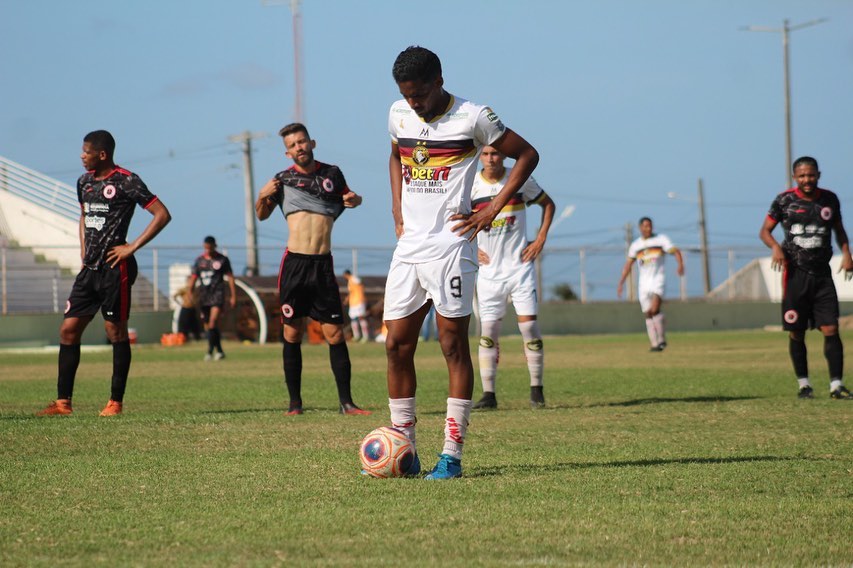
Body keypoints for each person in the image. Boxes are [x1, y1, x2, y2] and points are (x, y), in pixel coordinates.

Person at [384, 46, 539, 479]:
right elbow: (396, 155)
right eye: (406, 95)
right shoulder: (397, 112)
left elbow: (528, 154)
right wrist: (398, 211)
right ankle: (405, 449)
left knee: (452, 345)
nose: (413, 103)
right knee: (396, 345)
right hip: (409, 249)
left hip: (453, 246)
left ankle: (451, 455)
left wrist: (490, 210)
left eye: (418, 94)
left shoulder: (475, 116)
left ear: (438, 81)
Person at [37, 130, 171, 417]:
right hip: (90, 269)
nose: (81, 156)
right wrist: (84, 251)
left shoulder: (126, 180)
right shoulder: (83, 182)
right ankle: (63, 403)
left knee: (115, 331)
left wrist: (131, 247)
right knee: (68, 330)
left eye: (86, 151)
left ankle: (115, 402)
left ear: (102, 154)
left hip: (115, 268)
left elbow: (162, 214)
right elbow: (84, 215)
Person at [255, 122, 371, 416]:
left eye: (302, 142)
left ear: (312, 143)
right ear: (287, 152)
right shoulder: (282, 180)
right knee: (292, 334)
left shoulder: (332, 174)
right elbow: (262, 216)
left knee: (335, 334)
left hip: (322, 264)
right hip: (294, 264)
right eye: (293, 145)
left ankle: (347, 403)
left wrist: (355, 201)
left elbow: (348, 198)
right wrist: (261, 194)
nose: (299, 147)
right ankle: (295, 404)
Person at [759, 156, 853, 399]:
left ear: (818, 175)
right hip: (794, 275)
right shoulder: (784, 200)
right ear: (795, 177)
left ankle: (836, 385)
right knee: (796, 331)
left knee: (831, 328)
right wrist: (776, 248)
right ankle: (804, 385)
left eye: (810, 175)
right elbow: (765, 231)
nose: (806, 179)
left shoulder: (829, 199)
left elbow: (839, 230)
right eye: (802, 176)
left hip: (823, 275)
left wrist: (846, 253)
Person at [471, 145, 555, 411]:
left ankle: (536, 390)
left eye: (495, 153)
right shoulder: (470, 186)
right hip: (489, 273)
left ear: (504, 156)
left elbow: (548, 204)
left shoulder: (519, 179)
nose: (490, 158)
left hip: (520, 268)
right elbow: (455, 220)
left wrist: (540, 238)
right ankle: (488, 394)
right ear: (479, 157)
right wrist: (472, 249)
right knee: (489, 332)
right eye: (485, 154)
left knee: (528, 326)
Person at [617, 217, 684, 351]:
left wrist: (680, 264)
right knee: (648, 313)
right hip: (643, 283)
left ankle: (661, 339)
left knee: (654, 309)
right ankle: (655, 344)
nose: (648, 228)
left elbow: (675, 251)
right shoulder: (636, 245)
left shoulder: (661, 239)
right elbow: (628, 264)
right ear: (640, 228)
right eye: (646, 226)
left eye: (650, 226)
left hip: (658, 279)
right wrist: (621, 282)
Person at [189, 236, 236, 361]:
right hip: (204, 296)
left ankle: (209, 351)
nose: (208, 250)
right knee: (208, 326)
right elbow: (193, 278)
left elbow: (231, 278)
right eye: (206, 248)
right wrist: (190, 292)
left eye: (210, 248)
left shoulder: (222, 260)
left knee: (213, 322)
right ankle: (219, 350)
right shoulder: (199, 261)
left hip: (217, 294)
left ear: (215, 246)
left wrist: (233, 296)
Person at [343, 269, 370, 343]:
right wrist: (347, 300)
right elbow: (351, 292)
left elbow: (360, 282)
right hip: (353, 303)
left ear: (346, 274)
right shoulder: (349, 282)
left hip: (359, 302)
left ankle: (365, 336)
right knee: (353, 319)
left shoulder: (353, 278)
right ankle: (356, 336)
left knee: (361, 318)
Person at [173, 275, 202, 341]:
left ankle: (197, 338)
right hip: (185, 308)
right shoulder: (184, 289)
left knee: (195, 324)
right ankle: (183, 338)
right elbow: (174, 296)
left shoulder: (196, 290)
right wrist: (180, 303)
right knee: (184, 325)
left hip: (193, 309)